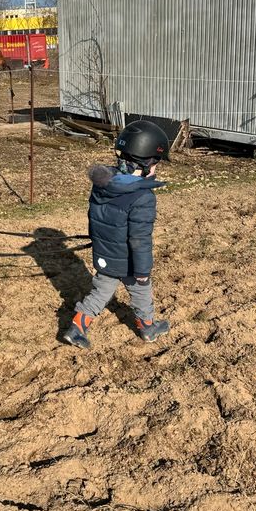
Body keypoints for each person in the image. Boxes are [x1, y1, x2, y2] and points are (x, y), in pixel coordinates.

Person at [62, 119, 171, 349]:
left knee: (100, 292)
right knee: (141, 291)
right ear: (146, 163)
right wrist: (142, 271)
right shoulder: (143, 196)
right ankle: (148, 328)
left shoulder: (103, 184)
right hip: (129, 260)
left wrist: (98, 243)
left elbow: (95, 218)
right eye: (156, 164)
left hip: (105, 254)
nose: (156, 169)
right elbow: (140, 240)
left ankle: (76, 327)